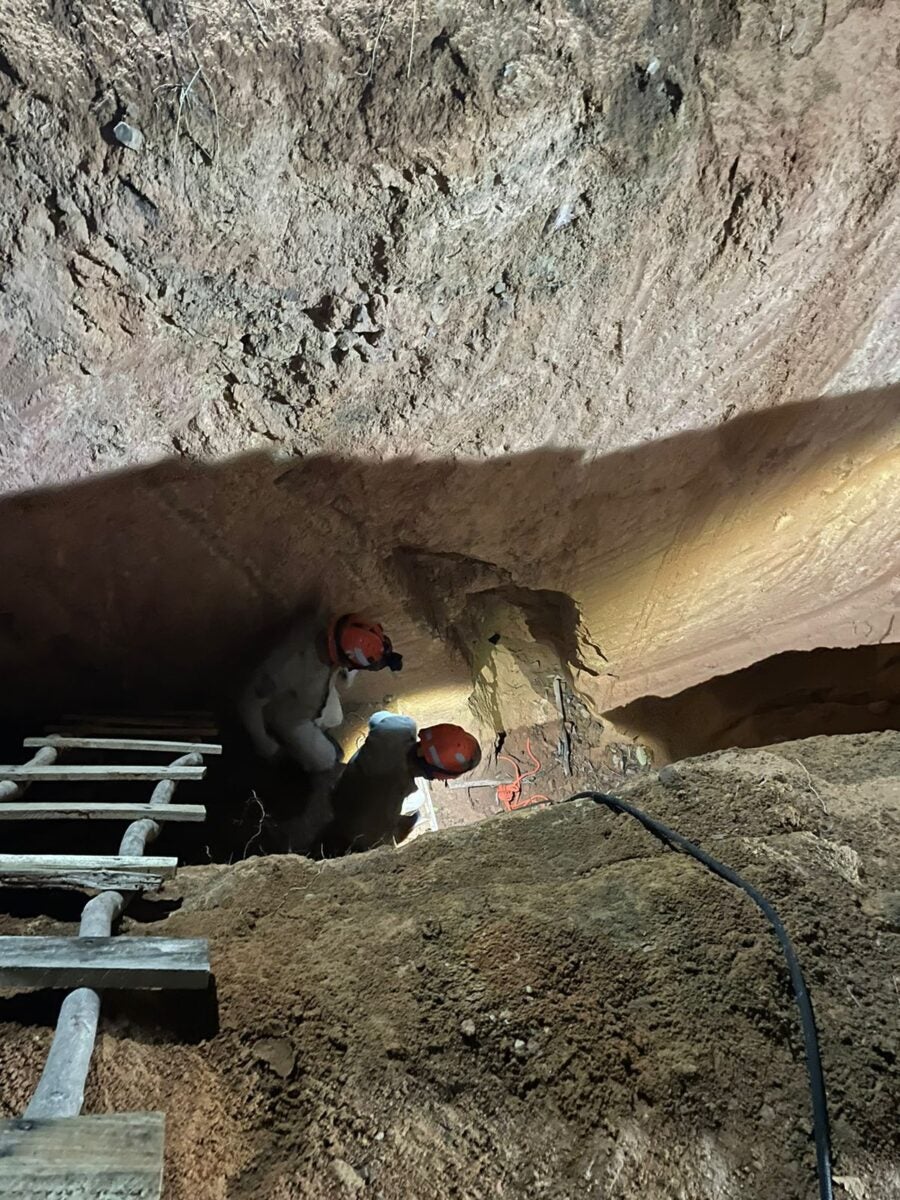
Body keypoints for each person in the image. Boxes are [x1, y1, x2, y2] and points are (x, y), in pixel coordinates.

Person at [237, 611, 402, 774]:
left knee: (335, 718)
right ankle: (296, 753)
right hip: (286, 715)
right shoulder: (287, 666)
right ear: (345, 659)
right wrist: (266, 745)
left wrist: (382, 657)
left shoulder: (330, 633)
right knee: (326, 761)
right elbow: (248, 702)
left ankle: (313, 735)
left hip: (309, 694)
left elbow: (352, 649)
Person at [322, 712, 481, 854]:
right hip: (339, 809)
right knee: (417, 800)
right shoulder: (387, 800)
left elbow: (378, 718)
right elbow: (372, 845)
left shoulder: (400, 727)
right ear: (441, 775)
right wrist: (404, 827)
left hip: (346, 775)